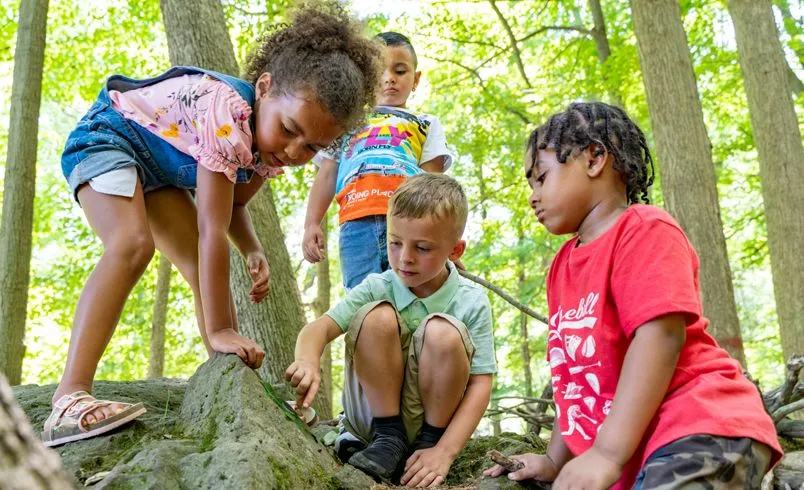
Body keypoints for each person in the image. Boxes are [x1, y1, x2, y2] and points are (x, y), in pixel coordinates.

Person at [42, 2, 382, 448]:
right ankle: (68, 398)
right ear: (264, 88)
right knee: (132, 244)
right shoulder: (225, 112)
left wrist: (253, 247)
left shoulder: (266, 148)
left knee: (195, 263)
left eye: (312, 147)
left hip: (158, 170)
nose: (294, 151)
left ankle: (228, 381)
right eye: (289, 129)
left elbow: (233, 203)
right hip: (109, 139)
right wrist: (222, 327)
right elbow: (212, 228)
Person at [484, 102, 782, 489]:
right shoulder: (561, 266)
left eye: (541, 178)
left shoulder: (645, 229)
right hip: (640, 454)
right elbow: (575, 378)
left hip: (703, 425)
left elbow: (661, 336)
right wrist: (555, 460)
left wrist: (606, 454)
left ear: (594, 159)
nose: (532, 196)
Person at [287, 173, 495, 487]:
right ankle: (387, 438)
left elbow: (481, 384)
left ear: (455, 250)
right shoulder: (378, 286)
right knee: (377, 317)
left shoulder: (471, 301)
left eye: (422, 248)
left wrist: (445, 451)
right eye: (395, 243)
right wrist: (306, 361)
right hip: (372, 421)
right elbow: (318, 329)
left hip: (435, 427)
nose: (405, 258)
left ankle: (426, 446)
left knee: (442, 332)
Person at [302, 32, 454, 290]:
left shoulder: (425, 123)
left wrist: (443, 240)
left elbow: (433, 184)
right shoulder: (346, 122)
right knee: (362, 299)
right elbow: (327, 173)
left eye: (400, 71)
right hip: (356, 224)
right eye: (379, 71)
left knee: (412, 298)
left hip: (410, 225)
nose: (389, 78)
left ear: (416, 79)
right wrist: (311, 224)